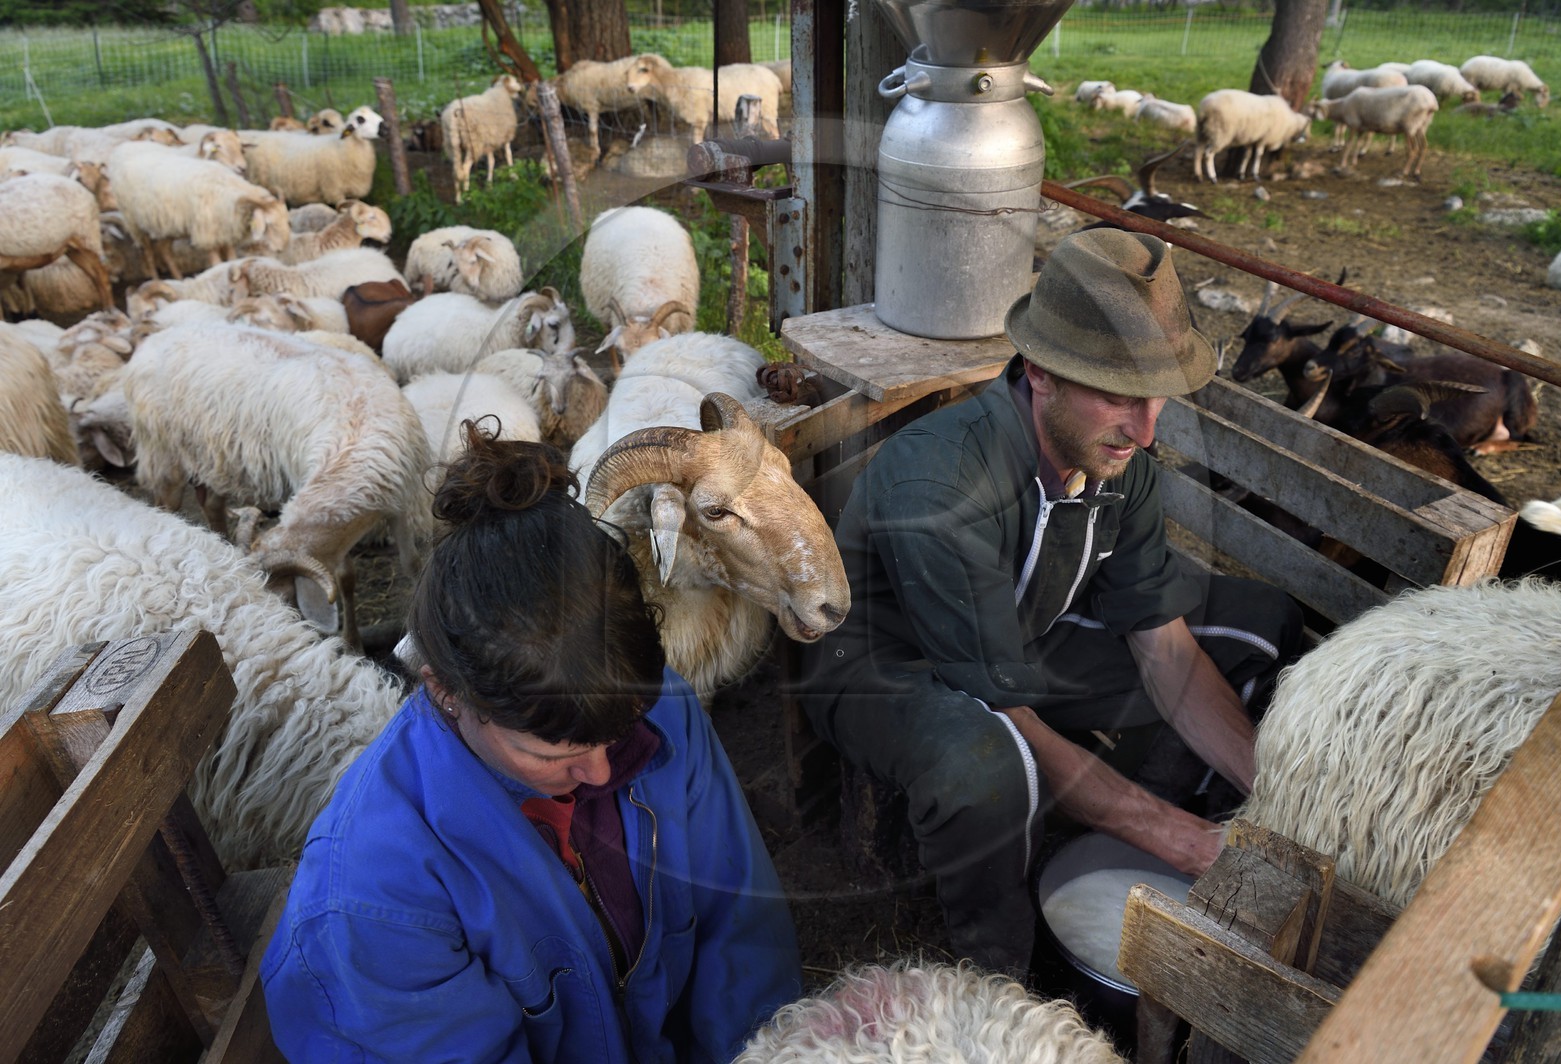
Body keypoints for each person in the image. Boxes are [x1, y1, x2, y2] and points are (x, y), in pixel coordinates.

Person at [802, 228, 1303, 975]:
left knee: (1262, 627)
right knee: (989, 765)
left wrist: (1279, 804)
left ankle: (1156, 830)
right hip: (891, 664)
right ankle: (996, 969)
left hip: (1026, 628)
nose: (1145, 429)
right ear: (1041, 373)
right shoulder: (940, 485)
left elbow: (1163, 646)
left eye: (1157, 395)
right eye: (1117, 397)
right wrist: (1182, 843)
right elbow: (1007, 710)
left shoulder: (1117, 459)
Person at [262, 420, 802, 1062]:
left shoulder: (666, 711)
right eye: (554, 754)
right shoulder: (375, 898)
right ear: (444, 692)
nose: (603, 772)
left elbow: (739, 930)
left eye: (620, 726)